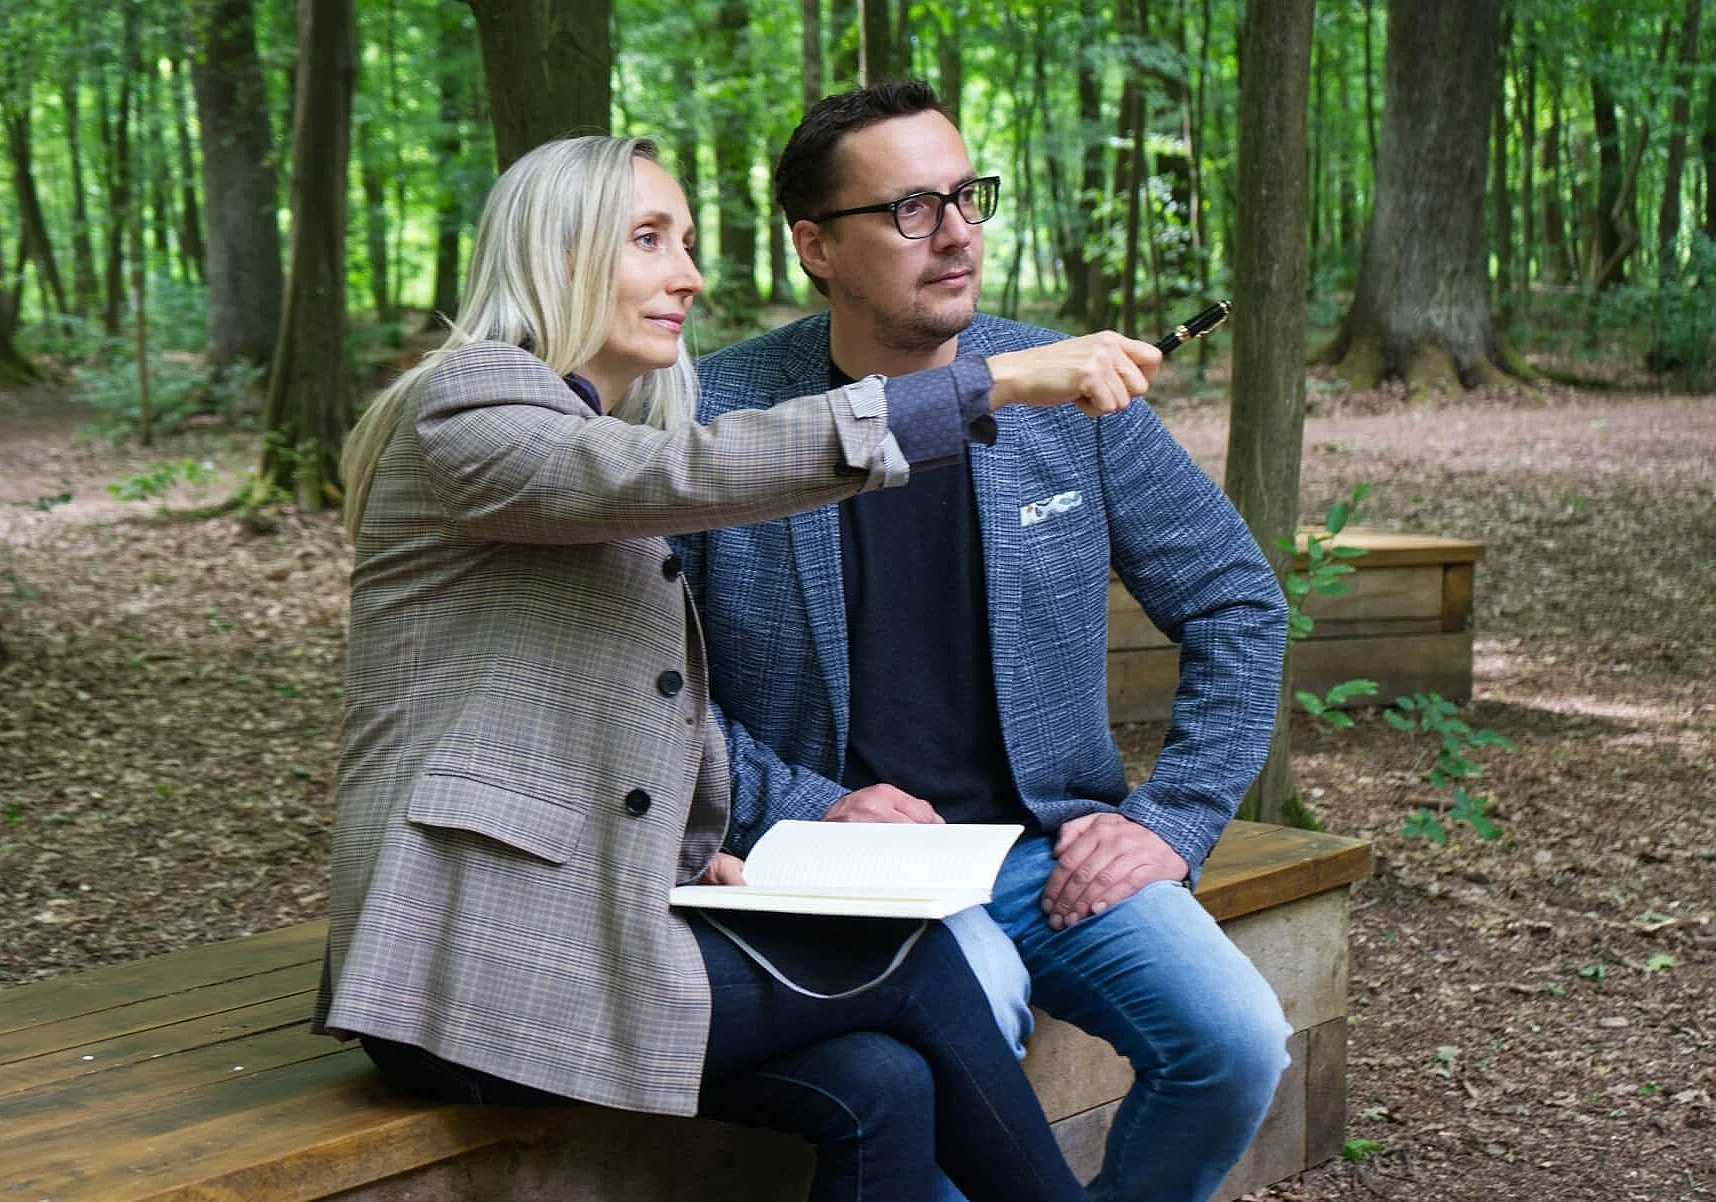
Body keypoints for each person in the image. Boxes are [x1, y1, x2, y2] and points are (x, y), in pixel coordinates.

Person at [313, 132, 1154, 1202]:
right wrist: (994, 382)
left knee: (880, 1082)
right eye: (650, 239)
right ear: (559, 251)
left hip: (583, 930)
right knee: (914, 961)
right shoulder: (469, 408)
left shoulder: (586, 443)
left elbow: (625, 698)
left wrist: (693, 836)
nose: (691, 275)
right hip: (468, 972)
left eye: (691, 242)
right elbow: (694, 464)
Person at [675, 82, 1294, 1202]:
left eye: (968, 196)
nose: (959, 232)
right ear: (816, 245)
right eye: (912, 209)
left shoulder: (1062, 383)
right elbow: (657, 688)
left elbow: (1236, 599)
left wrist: (1178, 817)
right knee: (968, 1024)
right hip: (837, 868)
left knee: (1238, 1041)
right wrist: (810, 803)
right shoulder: (721, 418)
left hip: (1045, 845)